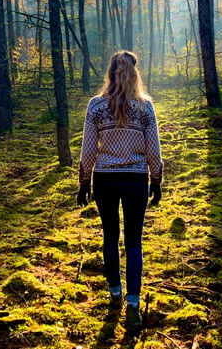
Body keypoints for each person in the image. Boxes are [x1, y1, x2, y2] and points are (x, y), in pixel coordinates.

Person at [77, 50, 163, 329]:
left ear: (110, 73)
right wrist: (156, 181)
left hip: (105, 180)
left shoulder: (95, 106)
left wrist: (84, 183)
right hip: (136, 179)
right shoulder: (145, 107)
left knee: (110, 237)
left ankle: (114, 293)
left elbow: (88, 150)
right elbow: (154, 152)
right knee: (134, 242)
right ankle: (133, 303)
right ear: (135, 74)